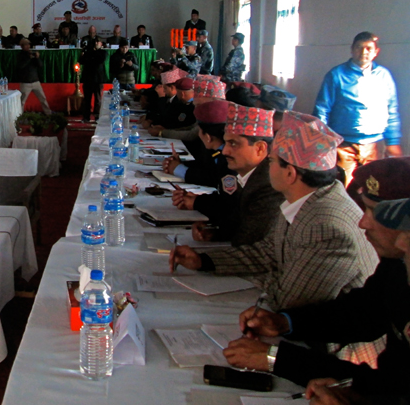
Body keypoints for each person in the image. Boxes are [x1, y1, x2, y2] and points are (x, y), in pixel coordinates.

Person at [222, 158, 410, 400]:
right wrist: (286, 323)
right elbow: (362, 313)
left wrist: (276, 360)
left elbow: (394, 386)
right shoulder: (396, 265)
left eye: (373, 212)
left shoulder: (327, 222)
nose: (362, 223)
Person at [171, 111, 378, 312]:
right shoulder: (303, 200)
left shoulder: (325, 225)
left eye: (271, 162)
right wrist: (204, 260)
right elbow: (268, 252)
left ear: (290, 173)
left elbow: (288, 300)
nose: (266, 169)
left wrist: (274, 274)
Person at [173, 103, 283, 246]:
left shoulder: (268, 186)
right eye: (226, 143)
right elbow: (234, 213)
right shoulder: (246, 173)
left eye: (233, 144)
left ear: (260, 148)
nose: (225, 151)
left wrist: (203, 261)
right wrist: (215, 231)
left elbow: (248, 241)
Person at [313, 31, 402, 185]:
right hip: (344, 144)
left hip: (374, 145)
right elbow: (322, 109)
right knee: (344, 187)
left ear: (376, 52)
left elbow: (392, 110)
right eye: (359, 48)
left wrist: (392, 141)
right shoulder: (336, 75)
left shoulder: (384, 76)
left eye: (368, 48)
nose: (363, 52)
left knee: (373, 188)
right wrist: (322, 140)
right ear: (352, 50)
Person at [163, 99, 231, 187]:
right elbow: (206, 167)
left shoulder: (229, 156)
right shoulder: (215, 150)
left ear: (208, 137)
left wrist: (179, 169)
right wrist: (181, 163)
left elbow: (214, 179)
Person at [17, 38, 52, 114]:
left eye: (28, 44)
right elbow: (20, 66)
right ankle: (19, 116)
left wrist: (37, 58)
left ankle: (49, 114)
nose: (28, 46)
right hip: (25, 82)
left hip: (35, 81)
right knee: (22, 101)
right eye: (26, 44)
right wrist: (29, 58)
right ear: (22, 46)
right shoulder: (20, 55)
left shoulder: (32, 53)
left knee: (43, 99)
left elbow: (40, 65)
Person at [79, 37, 106, 123]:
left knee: (98, 99)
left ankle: (97, 116)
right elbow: (81, 61)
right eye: (95, 42)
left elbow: (100, 60)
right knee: (87, 99)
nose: (96, 43)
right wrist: (86, 53)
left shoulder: (103, 52)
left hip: (98, 79)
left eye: (98, 42)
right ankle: (86, 117)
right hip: (88, 78)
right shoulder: (88, 52)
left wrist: (92, 54)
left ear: (101, 44)